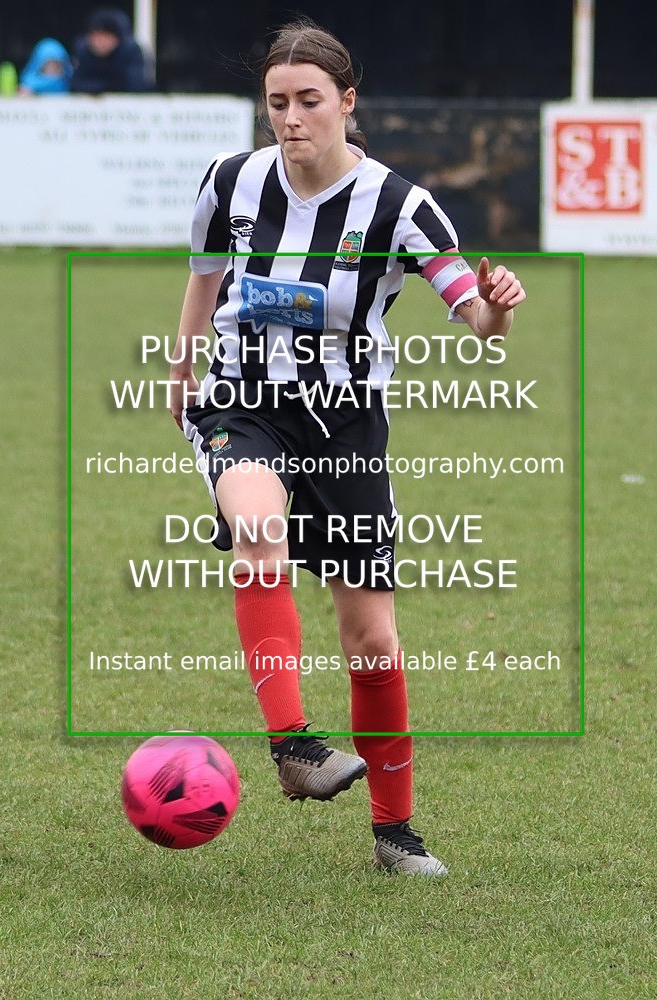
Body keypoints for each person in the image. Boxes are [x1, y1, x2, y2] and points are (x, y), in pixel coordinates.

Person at [169, 20, 526, 877]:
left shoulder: (400, 205)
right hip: (243, 399)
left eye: (309, 102)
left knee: (372, 643)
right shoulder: (230, 182)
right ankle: (293, 745)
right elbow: (203, 279)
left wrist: (497, 303)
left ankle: (395, 833)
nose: (291, 119)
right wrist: (182, 376)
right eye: (277, 103)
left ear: (347, 102)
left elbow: (473, 317)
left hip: (346, 421)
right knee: (258, 531)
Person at [70, 7, 148, 94]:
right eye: (95, 36)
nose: (100, 42)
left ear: (117, 38)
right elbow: (76, 84)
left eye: (105, 36)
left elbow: (135, 85)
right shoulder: (83, 52)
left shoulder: (130, 52)